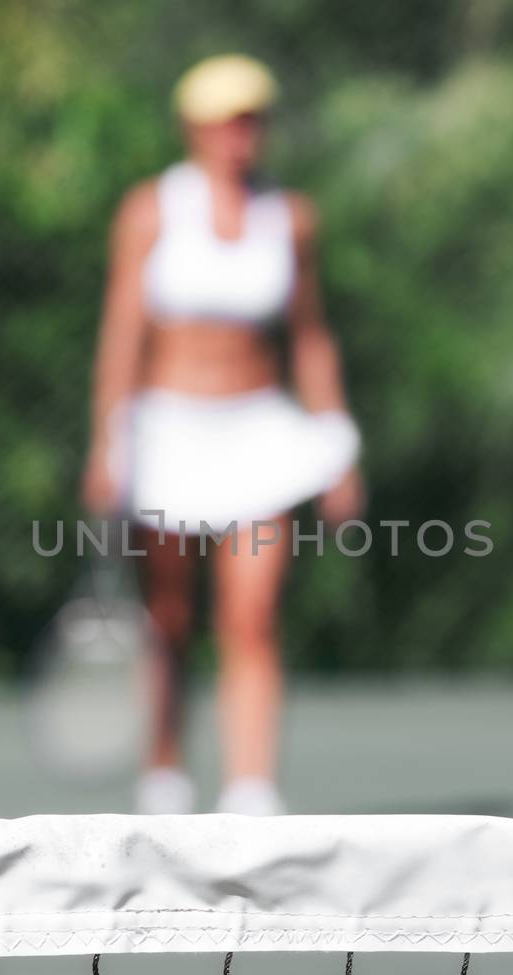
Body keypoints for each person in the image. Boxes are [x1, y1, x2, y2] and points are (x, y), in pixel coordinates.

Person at [81, 54, 362, 816]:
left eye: (254, 119)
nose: (244, 135)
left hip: (261, 440)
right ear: (196, 129)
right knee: (167, 618)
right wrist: (109, 439)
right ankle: (165, 773)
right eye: (228, 121)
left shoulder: (292, 218)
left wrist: (337, 440)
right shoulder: (150, 211)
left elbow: (309, 337)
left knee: (252, 616)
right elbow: (123, 332)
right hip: (167, 436)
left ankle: (251, 791)